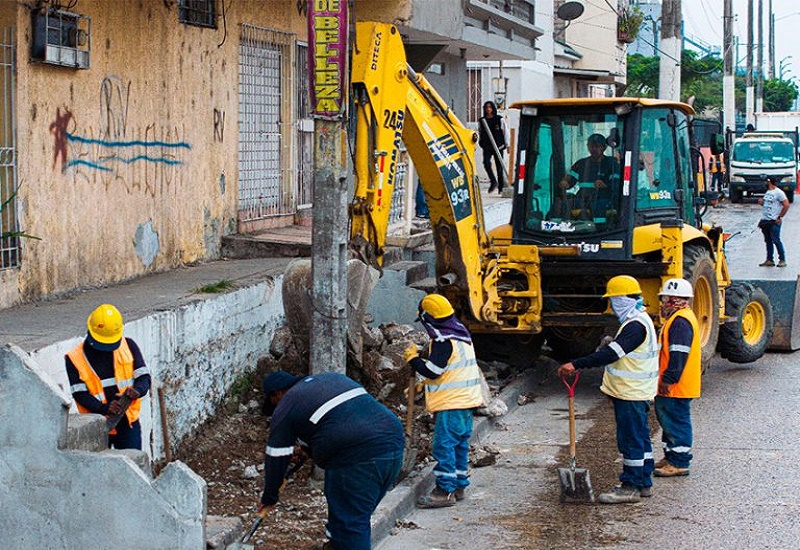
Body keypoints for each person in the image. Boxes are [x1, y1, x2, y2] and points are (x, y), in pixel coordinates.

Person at [257, 370, 404, 550]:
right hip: (393, 446)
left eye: (273, 403)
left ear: (276, 393)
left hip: (357, 457)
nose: (275, 409)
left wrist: (270, 496)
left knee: (351, 524)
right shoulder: (330, 379)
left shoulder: (286, 405)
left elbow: (276, 458)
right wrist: (308, 450)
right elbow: (344, 418)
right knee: (350, 515)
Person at [556, 275, 658, 504]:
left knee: (630, 439)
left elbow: (612, 355)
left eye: (613, 300)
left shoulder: (635, 326)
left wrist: (577, 363)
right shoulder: (641, 320)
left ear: (622, 299)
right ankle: (644, 481)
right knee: (640, 438)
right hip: (636, 391)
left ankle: (631, 486)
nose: (611, 306)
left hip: (630, 392)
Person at [404, 293, 484, 508]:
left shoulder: (442, 341)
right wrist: (425, 385)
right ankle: (459, 485)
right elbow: (450, 371)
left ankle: (444, 491)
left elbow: (433, 370)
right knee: (459, 446)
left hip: (451, 405)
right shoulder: (460, 334)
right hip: (466, 403)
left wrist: (414, 360)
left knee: (444, 446)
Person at [65, 304, 151, 450]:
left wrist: (137, 391)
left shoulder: (128, 346)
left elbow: (144, 378)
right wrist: (104, 408)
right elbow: (80, 394)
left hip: (127, 423)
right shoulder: (74, 358)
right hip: (95, 426)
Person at [654, 278, 701, 477]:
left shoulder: (680, 321)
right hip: (675, 383)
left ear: (674, 299)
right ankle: (671, 455)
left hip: (675, 385)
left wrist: (668, 379)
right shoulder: (680, 318)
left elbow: (678, 354)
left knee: (676, 421)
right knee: (669, 422)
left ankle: (680, 462)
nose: (663, 303)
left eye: (665, 299)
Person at [558, 133, 620, 220]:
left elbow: (617, 185)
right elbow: (570, 178)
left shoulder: (611, 164)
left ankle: (599, 229)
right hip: (583, 199)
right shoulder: (581, 163)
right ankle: (557, 229)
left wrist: (605, 185)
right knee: (561, 204)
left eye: (597, 146)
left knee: (598, 206)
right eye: (591, 146)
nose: (593, 149)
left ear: (604, 148)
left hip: (604, 199)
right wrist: (565, 182)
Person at [757, 176, 790, 267]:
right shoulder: (768, 192)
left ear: (769, 181)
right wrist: (762, 203)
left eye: (766, 181)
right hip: (766, 221)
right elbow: (768, 204)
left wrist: (779, 217)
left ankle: (782, 259)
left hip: (774, 221)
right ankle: (769, 259)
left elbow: (786, 205)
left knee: (776, 240)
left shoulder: (779, 193)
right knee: (768, 241)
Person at [478, 100, 508, 194]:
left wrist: (507, 144)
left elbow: (505, 131)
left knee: (499, 166)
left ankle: (501, 187)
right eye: (486, 107)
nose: (488, 109)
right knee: (486, 163)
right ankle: (493, 181)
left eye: (490, 107)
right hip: (487, 145)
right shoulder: (482, 120)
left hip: (498, 145)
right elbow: (480, 131)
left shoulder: (499, 119)